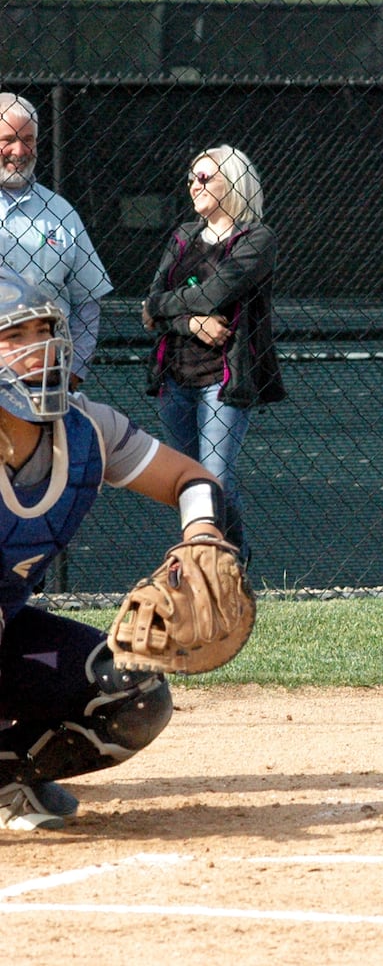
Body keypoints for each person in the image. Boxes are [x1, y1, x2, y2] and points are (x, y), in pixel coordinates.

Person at [0, 266, 228, 831]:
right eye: (13, 337)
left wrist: (201, 535)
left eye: (45, 331)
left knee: (132, 694)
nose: (38, 350)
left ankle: (5, 781)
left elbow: (192, 481)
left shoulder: (87, 430)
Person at [142, 145, 284, 558]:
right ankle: (217, 560)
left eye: (204, 178)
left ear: (234, 183)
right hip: (175, 375)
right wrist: (190, 322)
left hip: (223, 377)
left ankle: (230, 563)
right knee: (190, 482)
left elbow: (215, 291)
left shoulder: (256, 238)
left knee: (214, 478)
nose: (194, 186)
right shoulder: (184, 236)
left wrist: (162, 308)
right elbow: (153, 298)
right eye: (191, 179)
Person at [0, 92, 111, 387]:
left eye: (29, 139)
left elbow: (88, 301)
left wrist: (73, 372)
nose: (20, 150)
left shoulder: (61, 212)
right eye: (8, 139)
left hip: (44, 378)